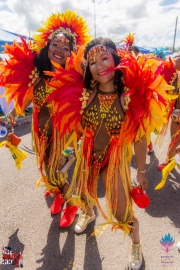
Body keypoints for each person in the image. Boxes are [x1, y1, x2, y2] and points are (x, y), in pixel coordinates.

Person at [49, 37, 168, 269]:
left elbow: (141, 137)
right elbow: (77, 130)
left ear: (116, 59)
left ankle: (136, 244)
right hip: (86, 157)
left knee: (122, 211)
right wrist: (66, 154)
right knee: (85, 195)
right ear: (88, 68)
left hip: (114, 160)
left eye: (104, 58)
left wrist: (141, 171)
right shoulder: (85, 94)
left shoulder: (129, 97)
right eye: (92, 62)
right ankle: (88, 213)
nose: (100, 65)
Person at [0, 10, 91, 228]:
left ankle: (71, 203)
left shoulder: (77, 76)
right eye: (55, 45)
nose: (59, 50)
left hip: (65, 136)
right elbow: (26, 101)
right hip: (40, 133)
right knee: (46, 170)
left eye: (65, 47)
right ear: (47, 46)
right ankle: (59, 194)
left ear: (72, 51)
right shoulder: (37, 73)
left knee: (55, 170)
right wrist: (8, 117)